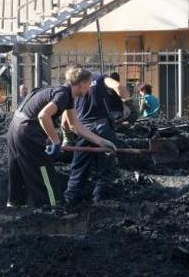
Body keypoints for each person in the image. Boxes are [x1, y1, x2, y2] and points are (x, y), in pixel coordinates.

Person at [7, 64, 117, 209]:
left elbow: (76, 126)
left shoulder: (65, 95)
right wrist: (56, 142)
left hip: (15, 129)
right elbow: (43, 115)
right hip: (27, 132)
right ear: (82, 83)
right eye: (89, 85)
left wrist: (102, 142)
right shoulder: (63, 95)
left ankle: (15, 205)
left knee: (18, 171)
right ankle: (53, 209)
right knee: (45, 173)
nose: (90, 89)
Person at [63, 73, 119, 207]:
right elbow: (118, 86)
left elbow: (66, 117)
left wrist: (67, 136)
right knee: (105, 169)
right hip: (103, 128)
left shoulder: (72, 89)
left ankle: (70, 200)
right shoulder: (101, 78)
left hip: (83, 129)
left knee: (78, 167)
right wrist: (129, 102)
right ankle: (100, 201)